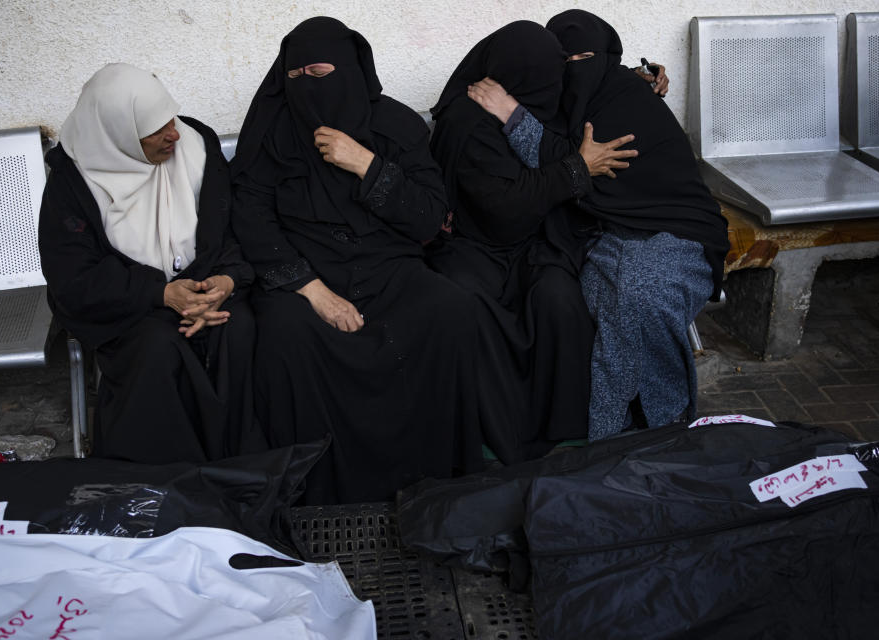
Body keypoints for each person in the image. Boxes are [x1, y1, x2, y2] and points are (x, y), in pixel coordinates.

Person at [230, 17, 482, 504]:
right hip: (305, 275)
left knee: (450, 312)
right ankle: (316, 492)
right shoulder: (270, 135)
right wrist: (312, 290)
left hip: (390, 269)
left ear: (349, 70)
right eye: (295, 76)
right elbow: (251, 218)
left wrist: (367, 165)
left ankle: (433, 480)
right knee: (286, 336)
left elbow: (430, 220)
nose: (307, 86)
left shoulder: (396, 125)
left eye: (320, 73)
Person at [468, 10, 730, 440]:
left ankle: (663, 423)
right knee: (603, 299)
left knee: (639, 297)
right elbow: (572, 154)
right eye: (564, 60)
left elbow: (567, 162)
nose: (574, 69)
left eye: (585, 57)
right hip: (610, 231)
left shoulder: (624, 96)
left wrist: (512, 114)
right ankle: (618, 424)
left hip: (676, 230)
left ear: (604, 56)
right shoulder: (577, 94)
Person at [426, 20, 638, 464]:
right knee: (474, 310)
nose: (554, 83)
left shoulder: (530, 106)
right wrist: (576, 171)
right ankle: (491, 439)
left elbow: (593, 99)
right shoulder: (466, 122)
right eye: (543, 72)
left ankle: (567, 434)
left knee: (558, 300)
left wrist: (646, 79)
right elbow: (504, 206)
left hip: (531, 243)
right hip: (473, 243)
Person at [39, 63, 261, 463]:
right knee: (159, 347)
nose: (173, 134)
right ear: (117, 135)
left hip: (207, 286)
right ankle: (170, 482)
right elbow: (74, 278)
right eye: (155, 130)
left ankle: (245, 467)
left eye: (170, 120)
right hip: (129, 304)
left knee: (239, 328)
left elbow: (233, 226)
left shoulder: (196, 144)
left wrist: (226, 280)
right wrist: (159, 293)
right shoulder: (73, 182)